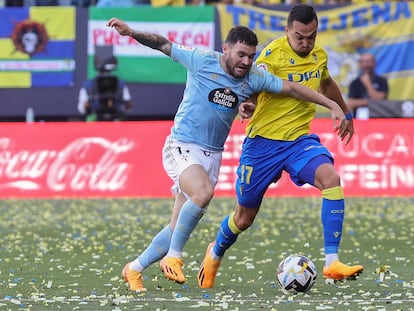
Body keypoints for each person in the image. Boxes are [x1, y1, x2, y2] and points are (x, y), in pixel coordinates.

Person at [107, 17, 347, 292]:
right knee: (202, 194)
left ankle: (134, 268)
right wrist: (131, 32)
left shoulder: (253, 77)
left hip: (212, 154)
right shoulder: (200, 60)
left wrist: (331, 105)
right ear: (225, 49)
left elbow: (291, 88)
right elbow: (162, 43)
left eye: (250, 56)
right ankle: (174, 256)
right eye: (241, 54)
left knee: (178, 226)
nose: (246, 61)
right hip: (182, 145)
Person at [197, 4, 363, 289]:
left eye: (311, 36)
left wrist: (346, 112)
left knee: (331, 179)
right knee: (244, 217)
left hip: (298, 142)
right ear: (287, 31)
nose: (306, 43)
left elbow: (326, 84)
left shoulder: (318, 56)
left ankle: (332, 262)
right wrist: (248, 104)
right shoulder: (271, 55)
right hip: (262, 145)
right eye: (299, 37)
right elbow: (255, 85)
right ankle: (214, 253)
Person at [77, 57, 132, 122]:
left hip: (116, 119)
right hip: (94, 120)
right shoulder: (88, 85)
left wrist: (126, 105)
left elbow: (127, 106)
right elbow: (81, 109)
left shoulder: (120, 84)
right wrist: (86, 106)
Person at [348, 52, 389, 119]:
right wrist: (370, 101)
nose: (366, 64)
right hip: (359, 118)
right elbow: (351, 103)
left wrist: (367, 83)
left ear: (374, 63)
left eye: (368, 61)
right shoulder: (355, 83)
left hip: (378, 116)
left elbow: (380, 99)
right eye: (363, 62)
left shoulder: (382, 81)